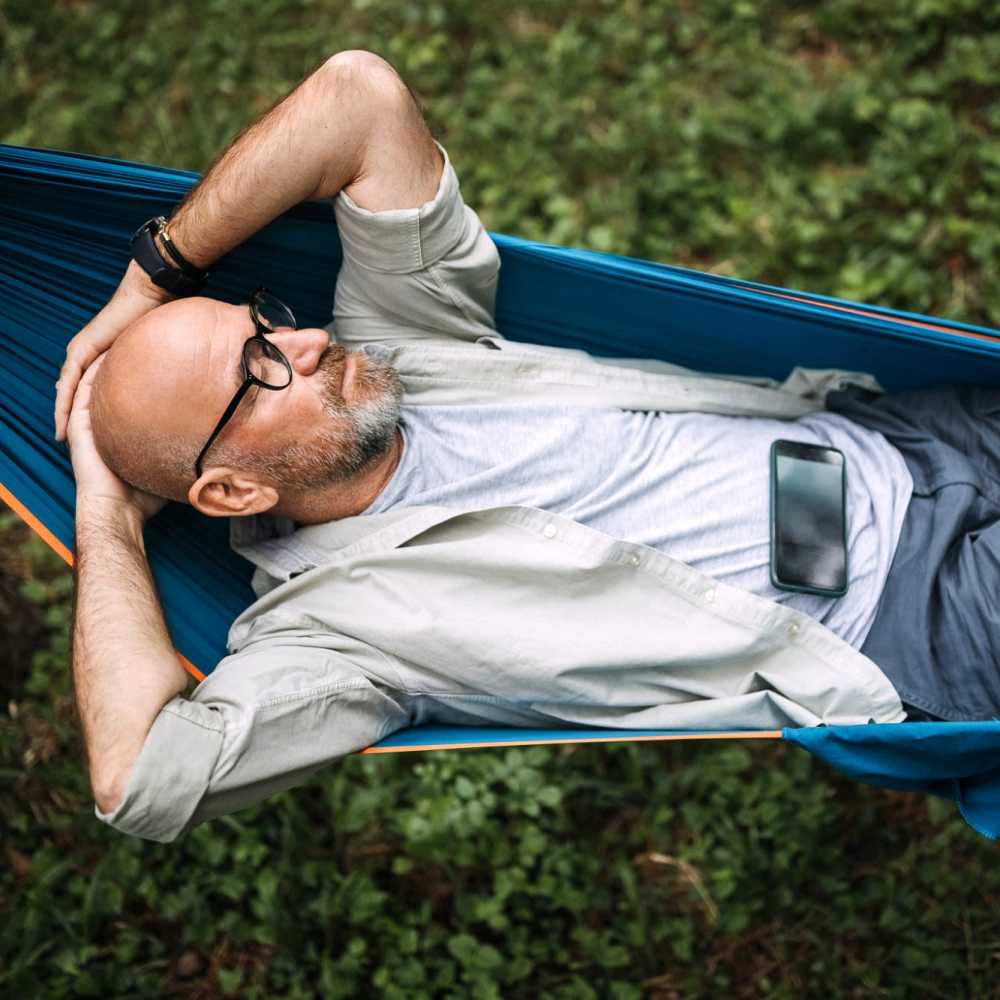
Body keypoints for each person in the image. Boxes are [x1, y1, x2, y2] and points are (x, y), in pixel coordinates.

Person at [57, 51, 999, 844]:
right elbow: (141, 776)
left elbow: (361, 97)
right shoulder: (340, 632)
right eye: (261, 367)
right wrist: (103, 508)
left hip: (892, 436)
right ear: (228, 495)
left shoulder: (404, 340)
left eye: (269, 319)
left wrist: (153, 277)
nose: (303, 342)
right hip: (910, 624)